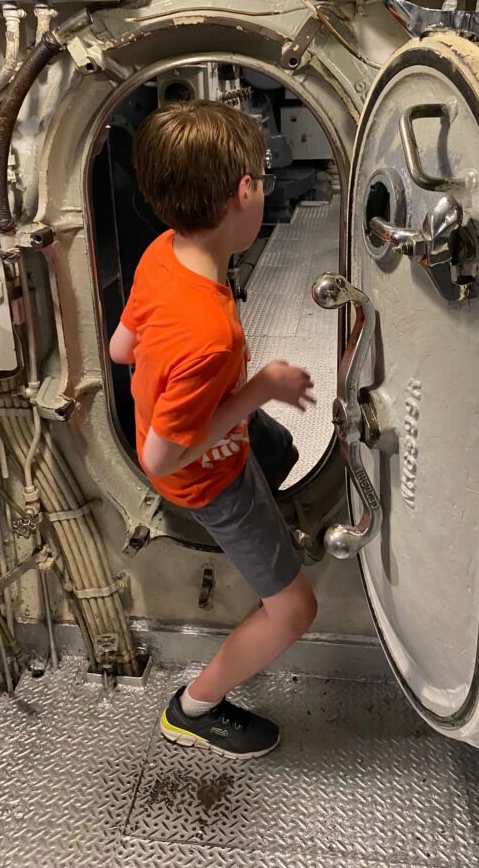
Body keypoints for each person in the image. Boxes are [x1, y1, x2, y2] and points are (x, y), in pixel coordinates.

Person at [109, 98, 317, 761]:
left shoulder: (163, 252)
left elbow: (120, 349)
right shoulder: (210, 334)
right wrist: (260, 388)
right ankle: (193, 709)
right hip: (207, 479)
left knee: (276, 449)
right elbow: (162, 458)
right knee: (295, 611)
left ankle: (270, 535)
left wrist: (180, 378)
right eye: (261, 177)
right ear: (245, 191)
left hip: (214, 434)